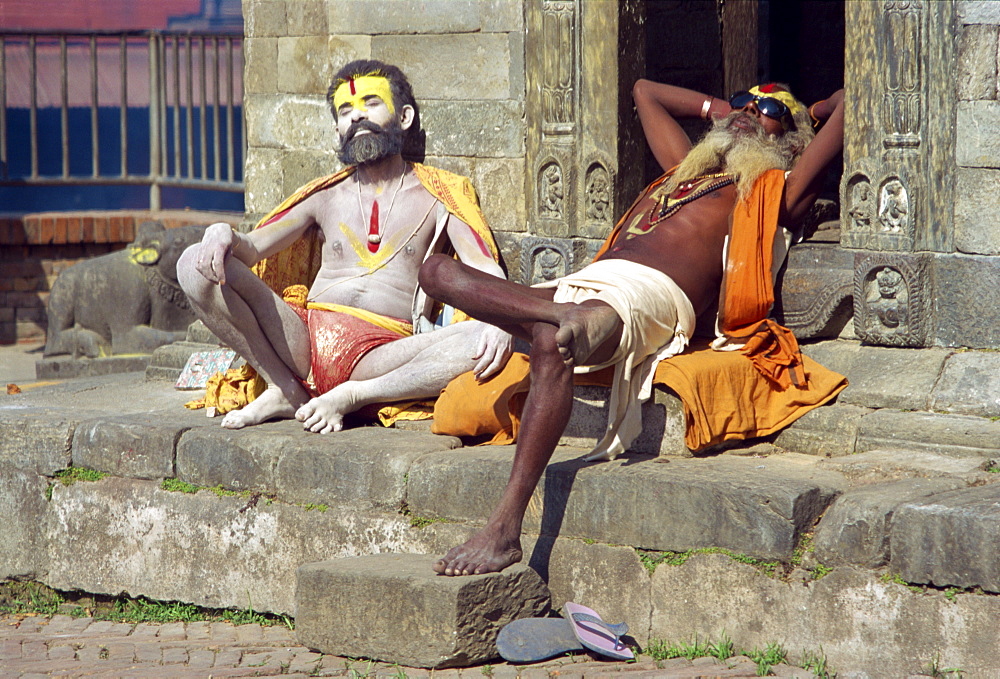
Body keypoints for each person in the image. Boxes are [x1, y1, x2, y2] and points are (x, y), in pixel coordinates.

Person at [419, 79, 845, 576]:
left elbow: (851, 101)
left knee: (552, 344)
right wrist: (722, 108)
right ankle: (561, 316)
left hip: (652, 295)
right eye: (743, 103)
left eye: (767, 109)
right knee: (435, 272)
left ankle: (504, 529)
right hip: (589, 283)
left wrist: (809, 112)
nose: (749, 110)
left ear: (790, 140)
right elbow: (643, 90)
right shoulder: (682, 173)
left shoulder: (777, 190)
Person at [177, 59, 512, 433]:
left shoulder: (441, 194)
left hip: (382, 354)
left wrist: (500, 319)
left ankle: (355, 395)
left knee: (483, 337)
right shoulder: (324, 195)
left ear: (403, 117)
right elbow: (252, 248)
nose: (356, 117)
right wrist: (224, 233)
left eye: (370, 103)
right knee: (193, 264)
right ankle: (284, 388)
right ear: (337, 129)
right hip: (300, 339)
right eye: (345, 110)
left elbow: (484, 267)